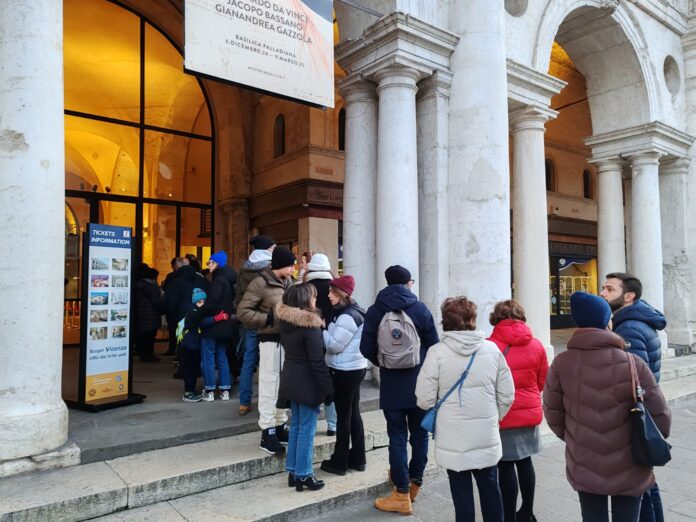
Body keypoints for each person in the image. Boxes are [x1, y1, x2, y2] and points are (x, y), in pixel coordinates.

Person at [544, 292, 671, 522]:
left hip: (584, 458)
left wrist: (576, 437)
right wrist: (653, 436)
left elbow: (553, 413)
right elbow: (660, 412)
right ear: (606, 320)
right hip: (630, 457)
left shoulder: (561, 363)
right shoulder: (632, 362)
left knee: (592, 517)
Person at [416, 296, 514, 522]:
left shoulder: (436, 353)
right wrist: (494, 416)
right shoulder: (492, 349)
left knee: (461, 493)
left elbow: (424, 399)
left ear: (445, 321)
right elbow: (507, 394)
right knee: (490, 486)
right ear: (472, 320)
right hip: (485, 432)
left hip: (453, 435)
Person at [360, 265, 439, 515]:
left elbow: (365, 347)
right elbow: (434, 344)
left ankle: (400, 493)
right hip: (419, 382)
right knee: (420, 435)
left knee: (396, 437)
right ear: (408, 283)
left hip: (392, 384)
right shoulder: (419, 308)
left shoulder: (375, 310)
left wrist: (385, 361)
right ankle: (415, 483)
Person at [600, 272, 667, 522]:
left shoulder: (627, 327)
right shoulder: (632, 320)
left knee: (640, 483)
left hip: (635, 415)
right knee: (644, 479)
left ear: (628, 296)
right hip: (641, 412)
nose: (602, 293)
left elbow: (634, 380)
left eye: (609, 289)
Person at [487, 300, 548, 522]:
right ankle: (528, 511)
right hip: (529, 411)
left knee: (505, 466)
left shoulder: (489, 345)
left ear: (496, 318)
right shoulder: (537, 345)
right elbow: (543, 381)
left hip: (503, 413)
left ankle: (509, 515)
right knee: (525, 462)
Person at [238, 246, 296, 455]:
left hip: (287, 340)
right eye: (290, 264)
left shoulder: (289, 282)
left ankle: (280, 425)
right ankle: (267, 431)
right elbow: (243, 312)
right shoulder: (260, 283)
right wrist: (269, 319)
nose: (293, 268)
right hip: (270, 340)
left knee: (283, 385)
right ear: (280, 265)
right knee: (269, 384)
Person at [276, 283, 334, 492]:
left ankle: (293, 471)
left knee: (297, 427)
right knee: (306, 430)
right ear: (304, 300)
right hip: (308, 383)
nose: (315, 300)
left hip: (291, 379)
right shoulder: (310, 326)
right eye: (313, 297)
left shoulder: (286, 323)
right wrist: (328, 390)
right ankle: (303, 474)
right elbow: (317, 362)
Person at [319, 275, 368, 476]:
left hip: (344, 371)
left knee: (344, 417)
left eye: (332, 292)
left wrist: (323, 328)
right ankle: (358, 458)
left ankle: (339, 462)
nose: (328, 295)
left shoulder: (347, 316)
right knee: (353, 413)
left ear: (342, 294)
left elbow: (333, 345)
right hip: (355, 368)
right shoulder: (356, 311)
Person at [234, 235, 275, 415]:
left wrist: (244, 315)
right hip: (268, 320)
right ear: (267, 250)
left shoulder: (244, 268)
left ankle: (244, 402)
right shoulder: (270, 268)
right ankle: (270, 402)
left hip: (250, 321)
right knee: (270, 362)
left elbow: (238, 296)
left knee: (248, 362)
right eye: (272, 248)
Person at [302, 252, 338, 435]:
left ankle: (311, 423)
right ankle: (333, 425)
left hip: (309, 338)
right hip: (330, 337)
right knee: (329, 380)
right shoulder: (334, 287)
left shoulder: (305, 288)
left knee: (311, 380)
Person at [178, 288, 229, 402]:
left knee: (196, 367)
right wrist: (218, 318)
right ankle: (189, 392)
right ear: (194, 303)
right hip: (188, 346)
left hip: (194, 345)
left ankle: (196, 390)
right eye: (199, 302)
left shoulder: (199, 311)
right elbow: (201, 322)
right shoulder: (192, 312)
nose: (202, 304)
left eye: (204, 301)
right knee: (190, 369)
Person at [199, 251, 237, 402]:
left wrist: (201, 312)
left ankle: (209, 391)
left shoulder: (218, 280)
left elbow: (212, 301)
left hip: (213, 324)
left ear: (218, 264)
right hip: (224, 324)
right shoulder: (228, 279)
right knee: (222, 356)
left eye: (211, 262)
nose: (209, 265)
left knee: (208, 358)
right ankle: (225, 390)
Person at [164, 257, 196, 358]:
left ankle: (181, 361)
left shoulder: (173, 278)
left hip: (179, 312)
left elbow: (169, 296)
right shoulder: (198, 277)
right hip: (193, 312)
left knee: (179, 336)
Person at [134, 263, 165, 362]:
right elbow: (156, 301)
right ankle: (148, 356)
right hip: (151, 313)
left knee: (144, 336)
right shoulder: (150, 286)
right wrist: (162, 308)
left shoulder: (138, 284)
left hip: (142, 313)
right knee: (150, 336)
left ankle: (144, 354)